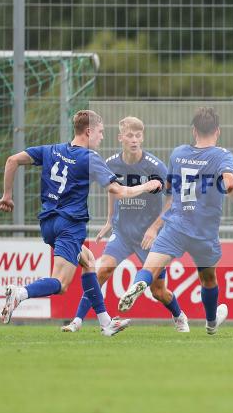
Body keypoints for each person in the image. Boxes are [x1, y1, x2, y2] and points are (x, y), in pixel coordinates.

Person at [0, 110, 162, 336]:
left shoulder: (52, 150)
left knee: (88, 261)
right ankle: (20, 293)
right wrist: (146, 186)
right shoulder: (90, 159)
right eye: (101, 132)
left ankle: (106, 323)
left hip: (48, 223)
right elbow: (119, 190)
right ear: (88, 131)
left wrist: (7, 195)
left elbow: (12, 160)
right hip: (70, 225)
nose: (102, 137)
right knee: (61, 283)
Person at [117, 107, 233, 335]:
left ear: (194, 131)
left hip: (175, 224)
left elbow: (168, 189)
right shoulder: (222, 155)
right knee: (208, 279)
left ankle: (139, 284)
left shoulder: (178, 153)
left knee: (150, 268)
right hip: (204, 232)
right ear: (217, 131)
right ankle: (211, 323)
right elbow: (230, 183)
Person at [61, 116, 170, 332]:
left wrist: (155, 227)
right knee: (102, 271)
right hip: (122, 232)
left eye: (138, 135)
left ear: (143, 138)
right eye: (130, 135)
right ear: (120, 137)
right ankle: (77, 321)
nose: (134, 139)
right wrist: (110, 219)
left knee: (159, 291)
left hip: (147, 236)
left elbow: (173, 198)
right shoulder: (110, 163)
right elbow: (113, 189)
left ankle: (179, 316)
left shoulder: (155, 166)